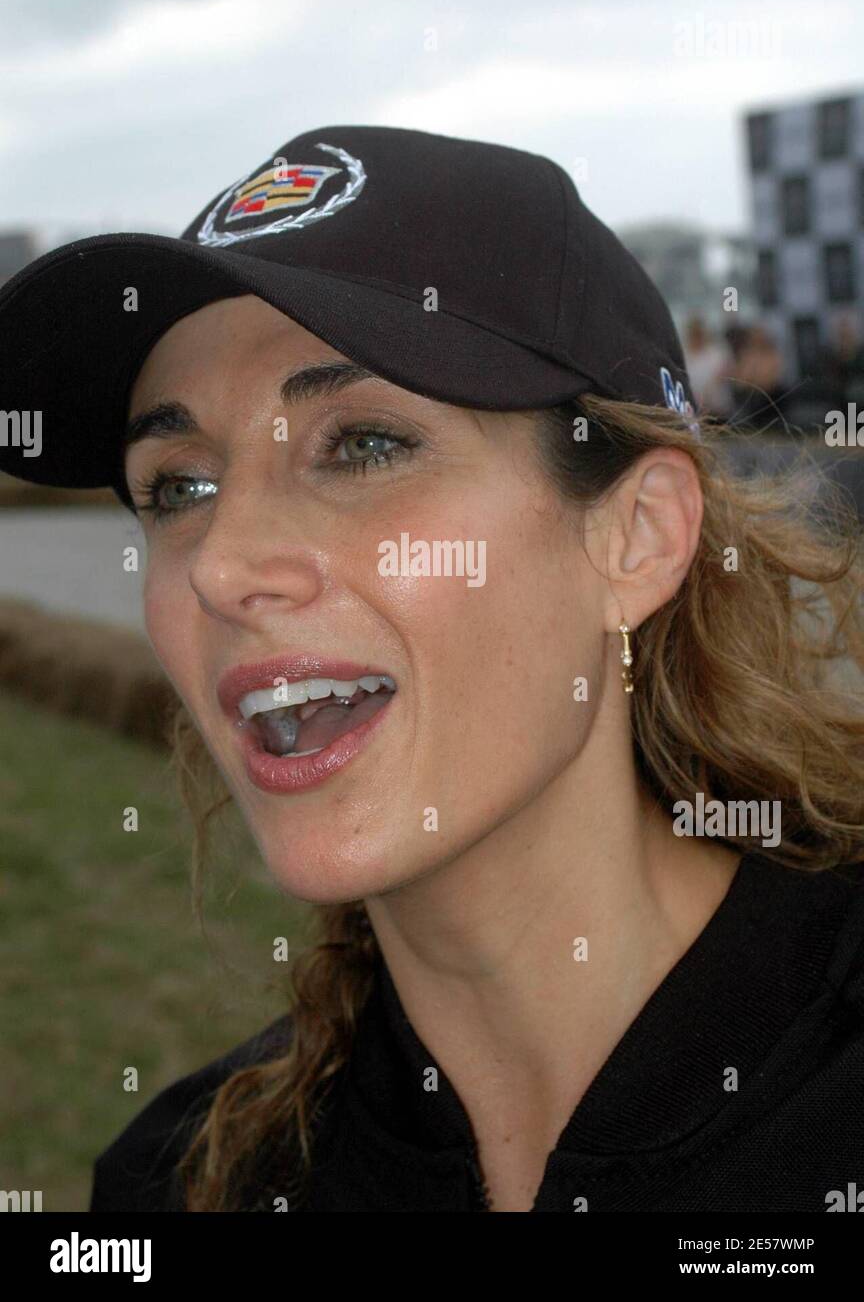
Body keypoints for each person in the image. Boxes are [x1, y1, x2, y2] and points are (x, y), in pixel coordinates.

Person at [2, 125, 864, 1214]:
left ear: (637, 537)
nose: (219, 566)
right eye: (178, 485)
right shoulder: (182, 1186)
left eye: (361, 446)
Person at [682, 314, 734, 419]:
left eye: (699, 334)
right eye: (694, 334)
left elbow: (726, 373)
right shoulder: (684, 354)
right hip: (692, 411)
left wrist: (705, 395)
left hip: (718, 411)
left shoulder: (717, 353)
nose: (697, 338)